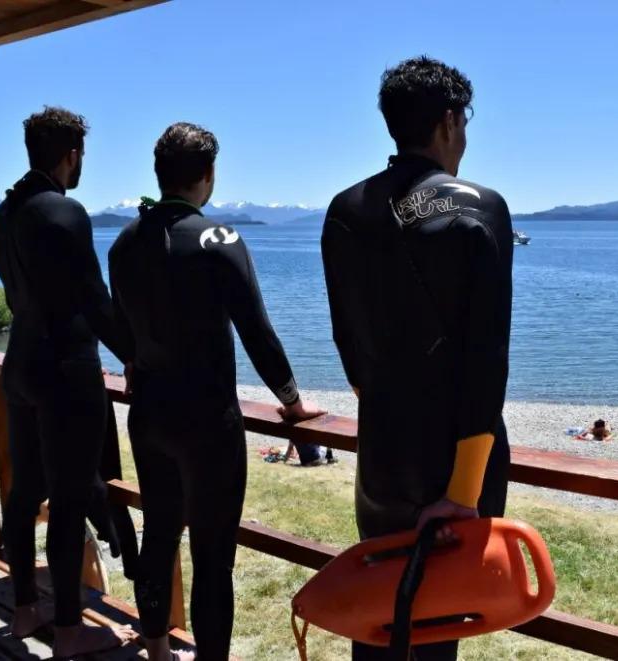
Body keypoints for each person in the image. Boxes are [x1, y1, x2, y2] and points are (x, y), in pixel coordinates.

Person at [321, 56, 514, 661]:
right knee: (436, 629)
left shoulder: (343, 210)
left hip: (382, 453)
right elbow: (487, 358)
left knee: (379, 619)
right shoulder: (480, 207)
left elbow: (348, 343)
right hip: (456, 459)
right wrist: (463, 488)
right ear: (450, 121)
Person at [108, 122, 324, 660]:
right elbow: (257, 329)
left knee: (159, 535)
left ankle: (155, 650)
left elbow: (121, 323)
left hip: (149, 412)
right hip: (207, 422)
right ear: (207, 175)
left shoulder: (124, 243)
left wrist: (133, 361)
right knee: (212, 555)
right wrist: (292, 400)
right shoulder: (216, 239)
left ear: (160, 175)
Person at [0, 106, 136, 657]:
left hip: (20, 364)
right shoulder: (63, 212)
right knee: (71, 501)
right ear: (70, 154)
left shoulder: (3, 216)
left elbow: (16, 296)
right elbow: (95, 301)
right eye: (81, 157)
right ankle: (70, 630)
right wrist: (139, 359)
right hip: (66, 371)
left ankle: (25, 609)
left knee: (24, 492)